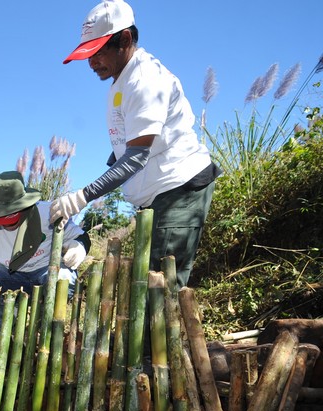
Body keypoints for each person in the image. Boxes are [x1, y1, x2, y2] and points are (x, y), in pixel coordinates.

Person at [52, 0, 220, 288]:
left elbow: (136, 156)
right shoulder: (120, 82)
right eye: (87, 54)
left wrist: (82, 197)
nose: (92, 62)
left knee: (162, 286)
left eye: (98, 52)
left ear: (125, 39)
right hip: (156, 196)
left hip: (178, 188)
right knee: (146, 285)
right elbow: (126, 146)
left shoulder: (144, 79)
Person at [0, 171, 89, 315]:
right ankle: (2, 328)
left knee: (64, 277)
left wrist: (80, 246)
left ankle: (46, 327)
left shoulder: (48, 212)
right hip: (13, 278)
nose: (7, 224)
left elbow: (81, 236)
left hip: (48, 274)